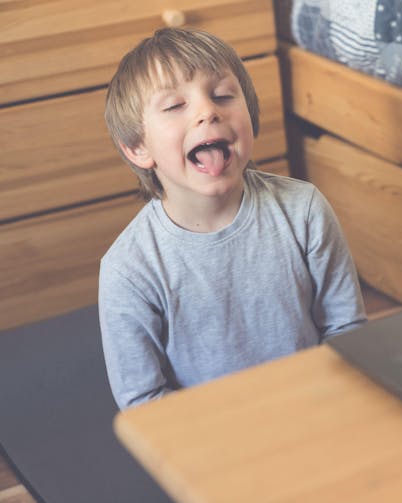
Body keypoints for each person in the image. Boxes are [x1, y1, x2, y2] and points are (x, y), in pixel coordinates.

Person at [99, 27, 366, 409]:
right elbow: (143, 399)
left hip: (316, 411)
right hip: (213, 445)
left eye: (223, 95)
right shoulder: (127, 270)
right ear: (139, 148)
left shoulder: (304, 209)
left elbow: (346, 330)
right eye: (175, 106)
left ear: (251, 119)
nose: (208, 111)